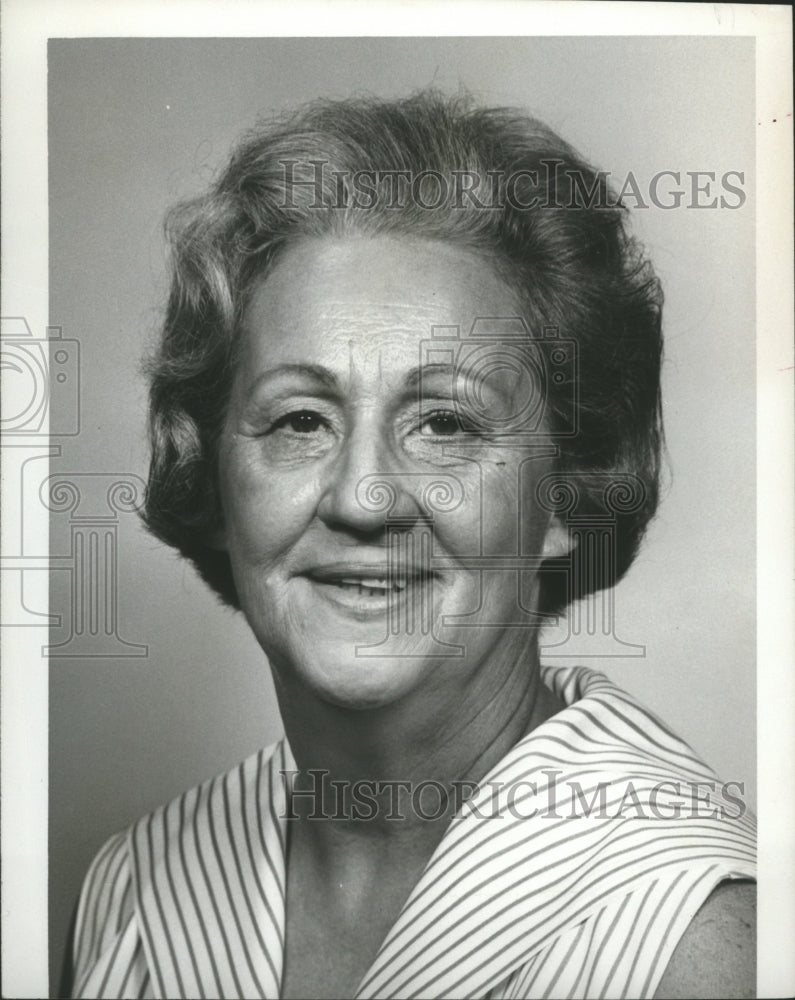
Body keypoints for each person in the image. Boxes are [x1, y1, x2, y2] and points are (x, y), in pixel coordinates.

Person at [67, 92, 755, 999]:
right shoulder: (128, 894)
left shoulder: (698, 939)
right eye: (300, 420)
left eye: (444, 425)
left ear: (566, 492)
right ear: (215, 484)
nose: (362, 496)